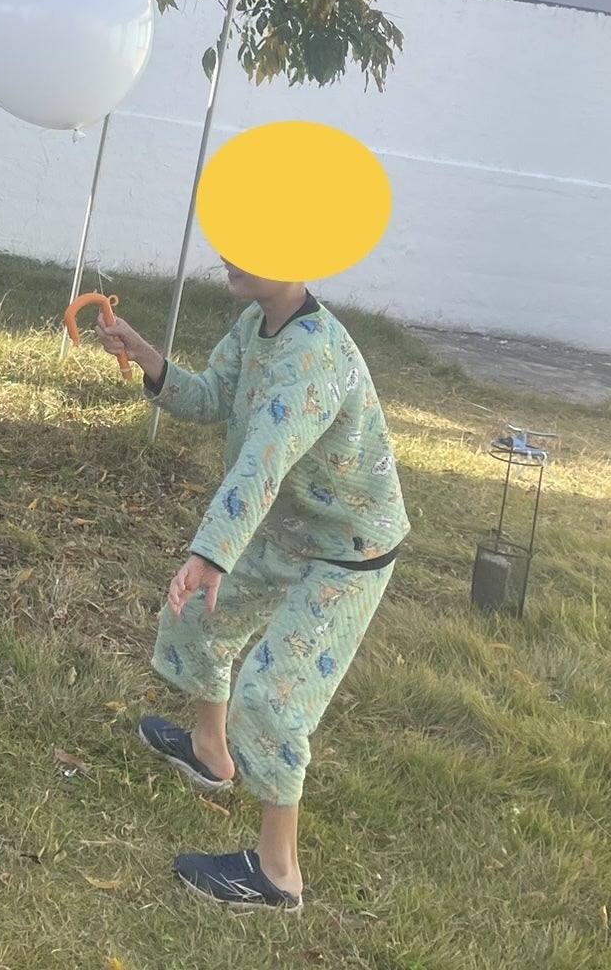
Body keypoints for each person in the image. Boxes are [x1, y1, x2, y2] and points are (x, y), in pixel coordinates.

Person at [96, 259, 408, 913]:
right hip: (290, 525)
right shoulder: (254, 323)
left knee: (272, 698)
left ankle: (277, 875)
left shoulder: (313, 357)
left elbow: (262, 463)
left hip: (348, 549)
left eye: (255, 245)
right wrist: (144, 354)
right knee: (201, 618)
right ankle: (210, 752)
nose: (233, 257)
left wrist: (212, 554)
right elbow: (211, 396)